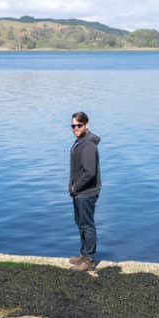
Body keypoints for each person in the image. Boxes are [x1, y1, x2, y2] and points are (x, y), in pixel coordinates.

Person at [68, 111, 101, 271]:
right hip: (79, 192)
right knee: (81, 223)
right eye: (73, 126)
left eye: (78, 125)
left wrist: (76, 187)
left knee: (87, 225)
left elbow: (90, 172)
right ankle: (83, 254)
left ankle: (89, 260)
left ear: (86, 125)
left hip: (86, 193)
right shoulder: (80, 141)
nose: (75, 128)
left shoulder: (88, 144)